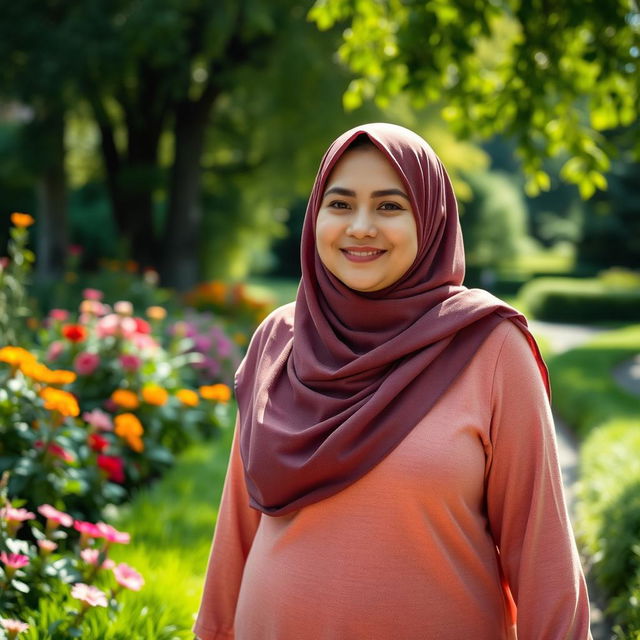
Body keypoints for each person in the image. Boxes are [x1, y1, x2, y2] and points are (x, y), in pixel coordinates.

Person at [193, 123, 592, 639]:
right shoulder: (280, 337)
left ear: (430, 220)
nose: (360, 226)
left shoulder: (489, 347)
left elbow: (541, 551)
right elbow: (239, 523)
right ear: (315, 215)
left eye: (389, 206)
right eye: (339, 205)